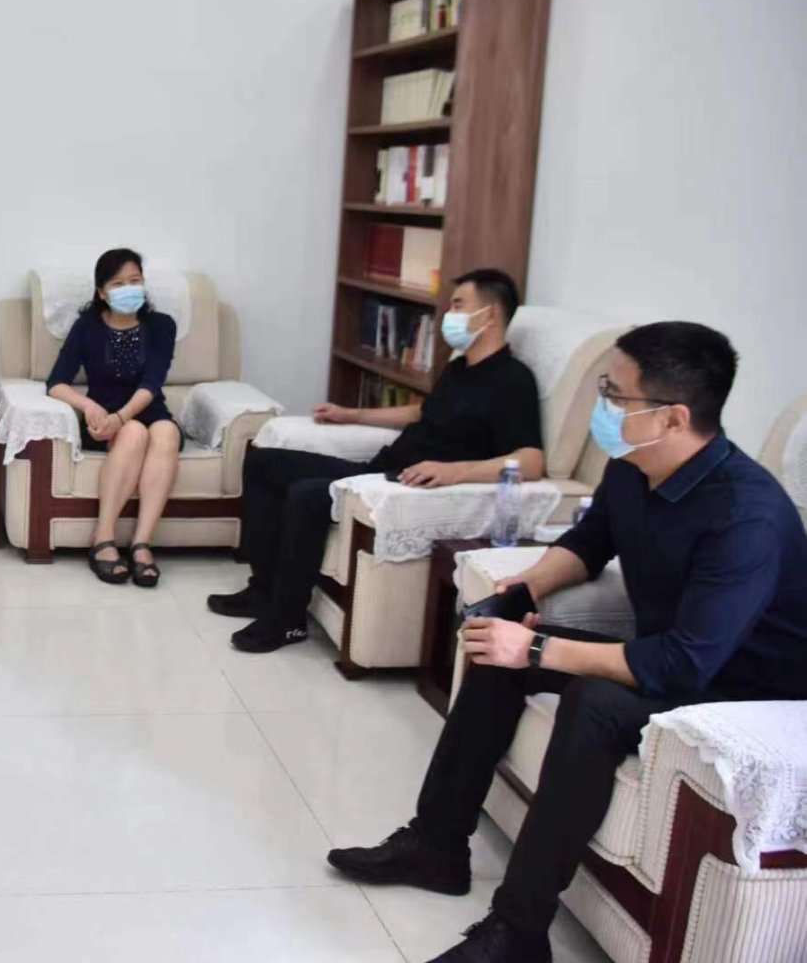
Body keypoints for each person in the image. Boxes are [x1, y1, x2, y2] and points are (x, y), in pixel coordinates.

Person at [326, 322, 807, 963]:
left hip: (745, 695)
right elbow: (587, 544)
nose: (602, 406)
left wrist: (535, 650)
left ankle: (518, 933)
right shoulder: (635, 466)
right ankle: (436, 845)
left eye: (616, 395)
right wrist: (521, 593)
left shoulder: (747, 516)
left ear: (673, 417)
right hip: (672, 653)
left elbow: (685, 663)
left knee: (593, 701)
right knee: (495, 645)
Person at [210, 269, 544, 652]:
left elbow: (531, 461)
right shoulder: (460, 367)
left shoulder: (513, 380)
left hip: (407, 488)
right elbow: (421, 413)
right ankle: (263, 591)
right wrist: (351, 414)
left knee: (307, 495)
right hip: (379, 470)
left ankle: (287, 620)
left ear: (490, 314)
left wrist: (454, 471)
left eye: (457, 305)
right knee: (262, 463)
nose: (448, 315)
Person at [45, 248, 184, 588]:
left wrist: (121, 417)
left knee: (165, 432)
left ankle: (141, 544)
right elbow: (56, 383)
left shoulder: (162, 326)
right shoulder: (87, 327)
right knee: (134, 433)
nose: (129, 289)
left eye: (135, 281)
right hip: (102, 419)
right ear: (102, 292)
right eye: (119, 283)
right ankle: (103, 537)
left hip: (146, 410)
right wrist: (89, 407)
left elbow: (152, 383)